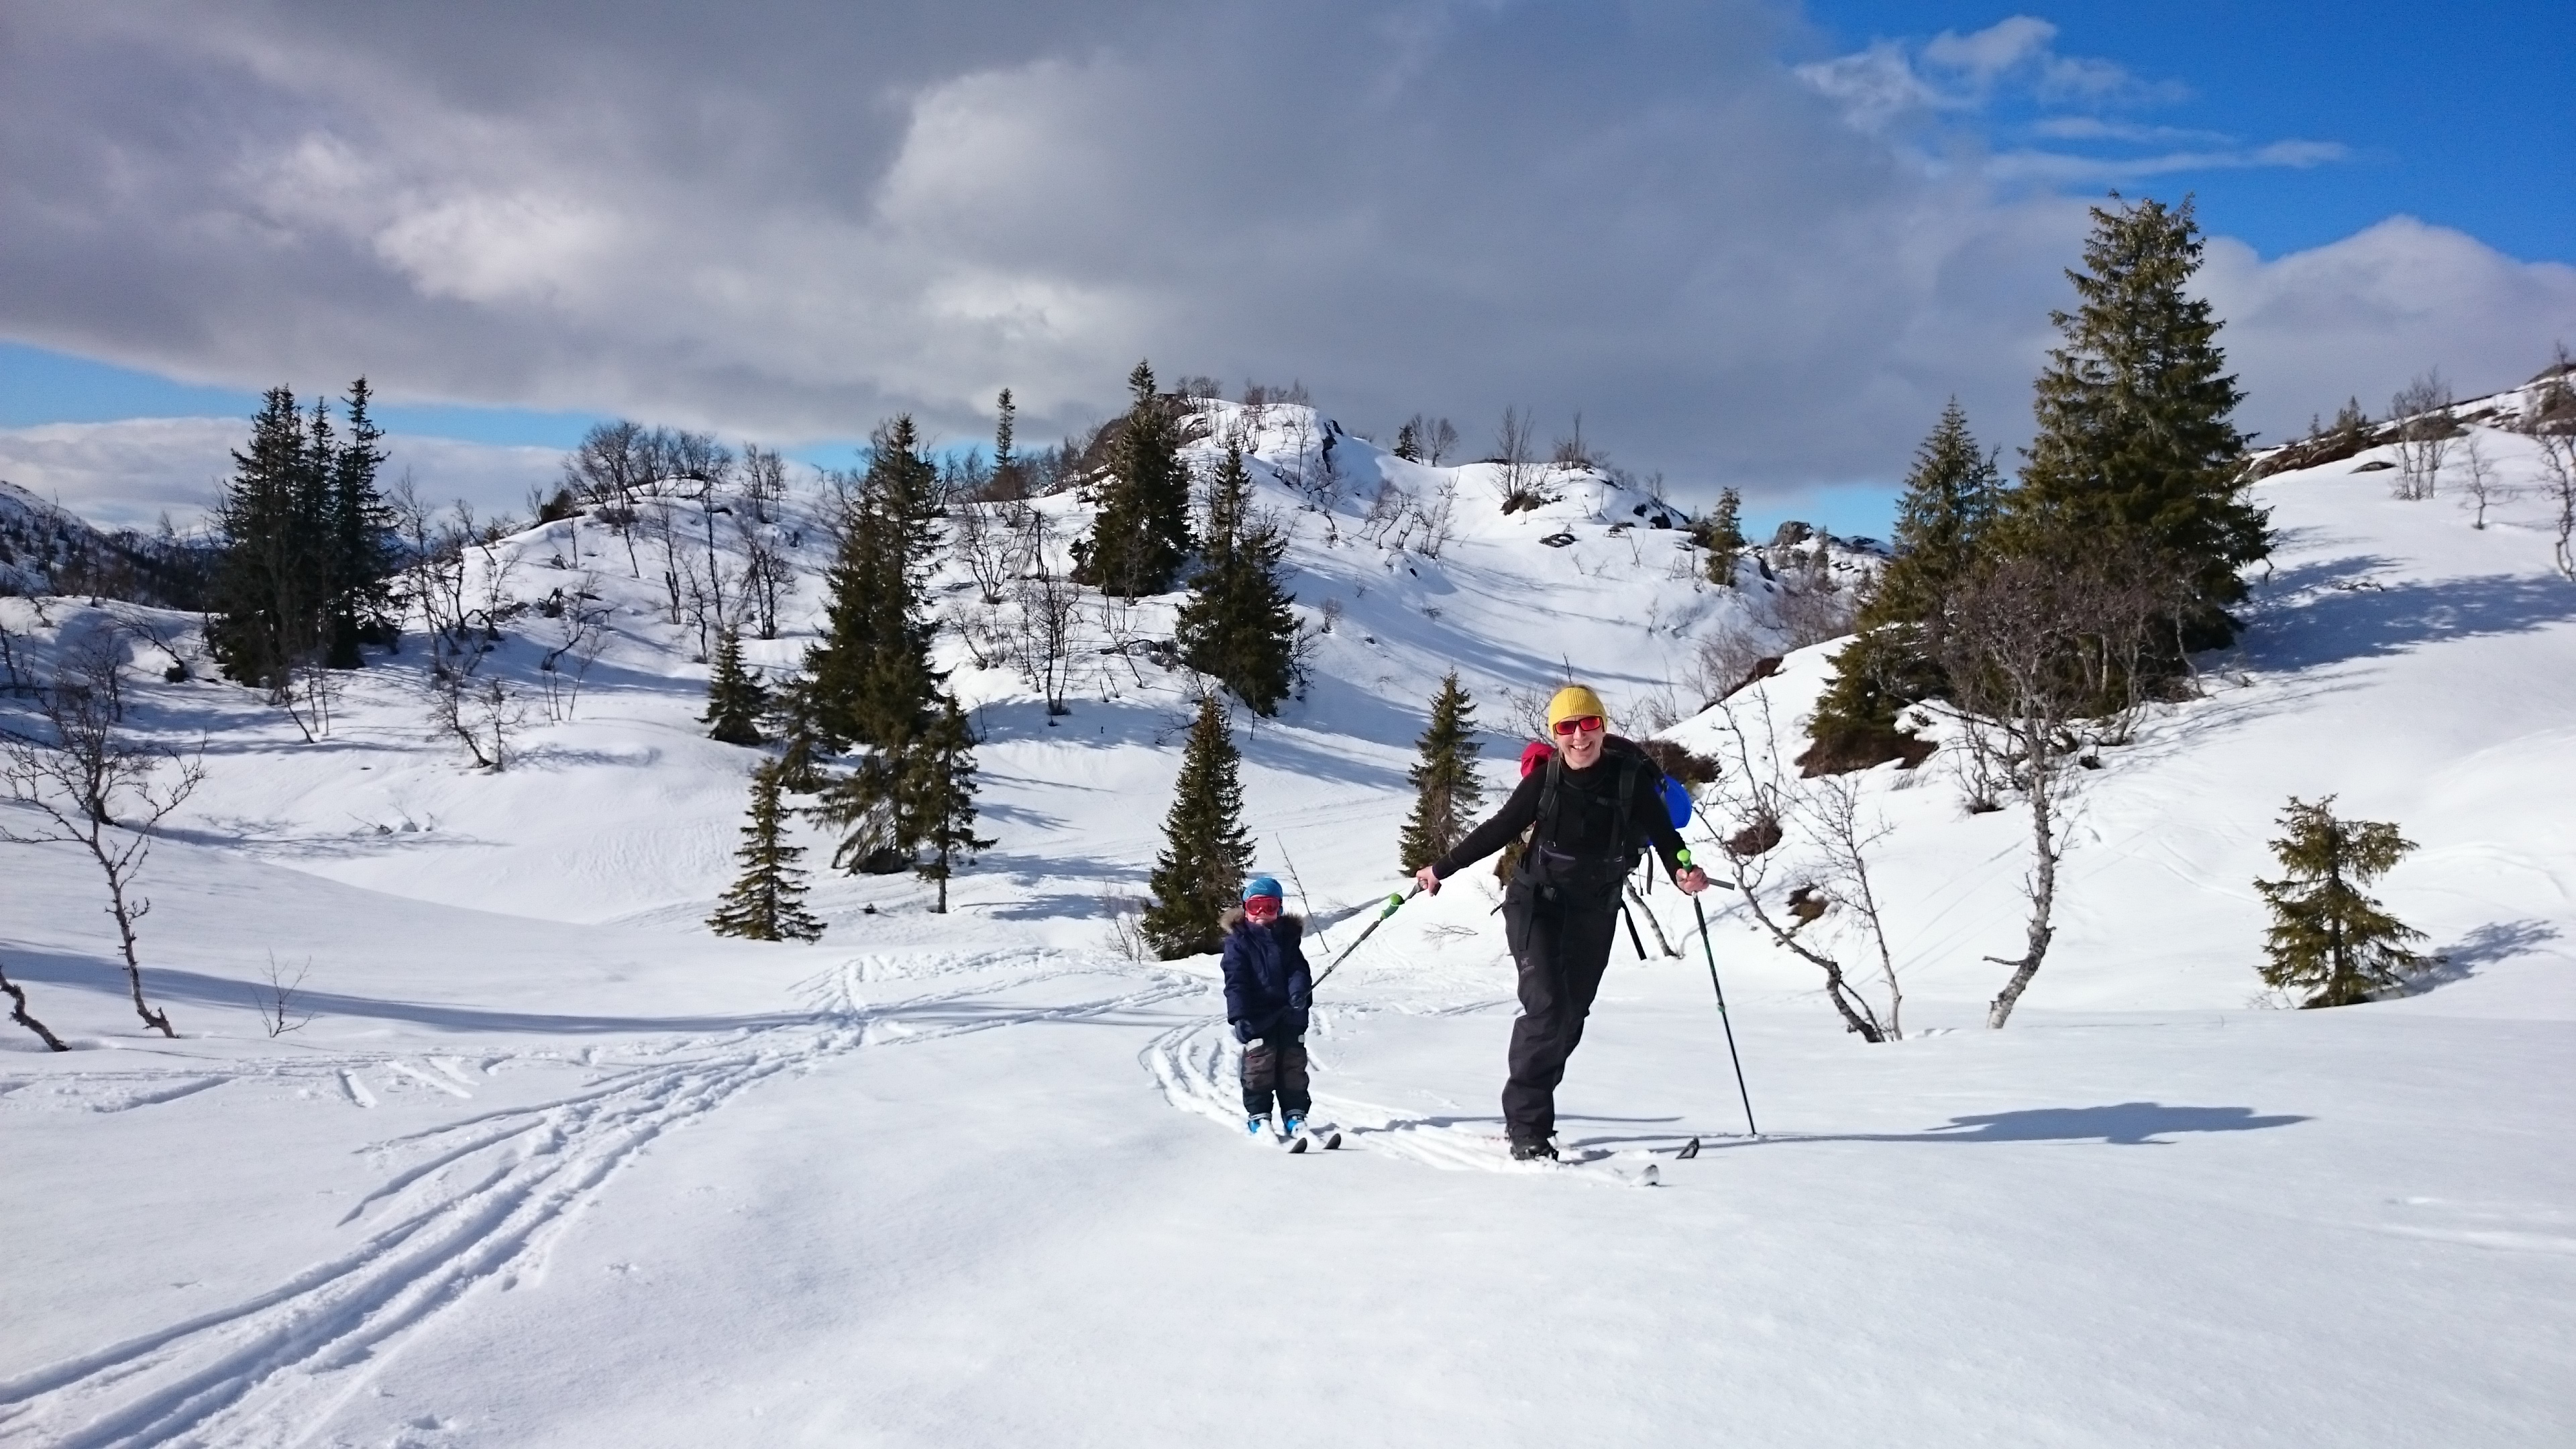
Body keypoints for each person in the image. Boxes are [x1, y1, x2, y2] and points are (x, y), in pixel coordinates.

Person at [1414, 685, 1708, 1160]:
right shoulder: (1545, 781)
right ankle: (1528, 1126)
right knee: (1548, 1007)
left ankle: (1533, 1109)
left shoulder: (1629, 779)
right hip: (1538, 904)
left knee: (1571, 1016)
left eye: (1588, 724)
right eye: (1567, 728)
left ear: (1602, 725)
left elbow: (1666, 837)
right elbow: (1498, 829)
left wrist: (1683, 872)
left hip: (1595, 911)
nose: (1579, 737)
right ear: (1555, 735)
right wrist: (1439, 869)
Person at [1222, 875, 1315, 1138]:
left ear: (1280, 909)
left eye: (1270, 907)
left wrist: (1300, 993)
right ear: (1245, 909)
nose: (1262, 913)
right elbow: (1235, 982)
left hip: (1290, 1014)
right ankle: (1258, 1116)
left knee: (1292, 1065)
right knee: (1259, 1066)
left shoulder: (1287, 938)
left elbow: (1298, 970)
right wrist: (1240, 1016)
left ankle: (1295, 1114)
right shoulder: (1238, 944)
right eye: (1255, 907)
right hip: (1257, 1017)